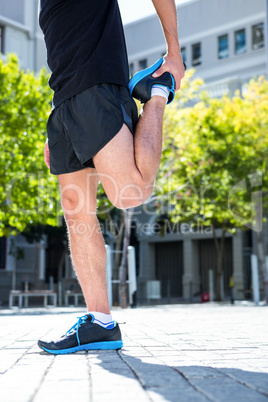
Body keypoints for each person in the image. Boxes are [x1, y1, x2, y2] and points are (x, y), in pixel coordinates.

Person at [38, 0, 185, 355]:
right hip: (64, 97)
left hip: (97, 84)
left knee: (130, 193)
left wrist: (174, 51)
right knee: (76, 213)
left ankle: (158, 91)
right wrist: (57, 115)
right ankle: (100, 322)